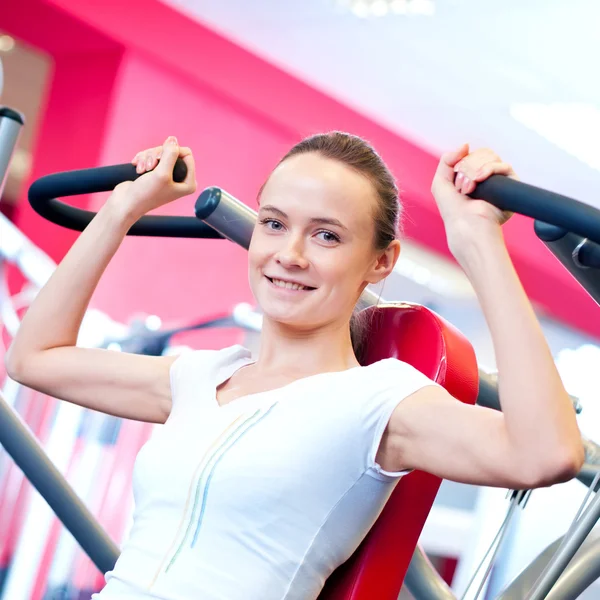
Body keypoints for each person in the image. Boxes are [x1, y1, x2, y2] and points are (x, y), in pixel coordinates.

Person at [6, 133, 584, 599]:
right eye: (274, 223)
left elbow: (547, 455)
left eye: (327, 235)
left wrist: (476, 242)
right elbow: (35, 359)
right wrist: (124, 206)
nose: (290, 254)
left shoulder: (378, 404)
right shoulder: (201, 377)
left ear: (380, 262)